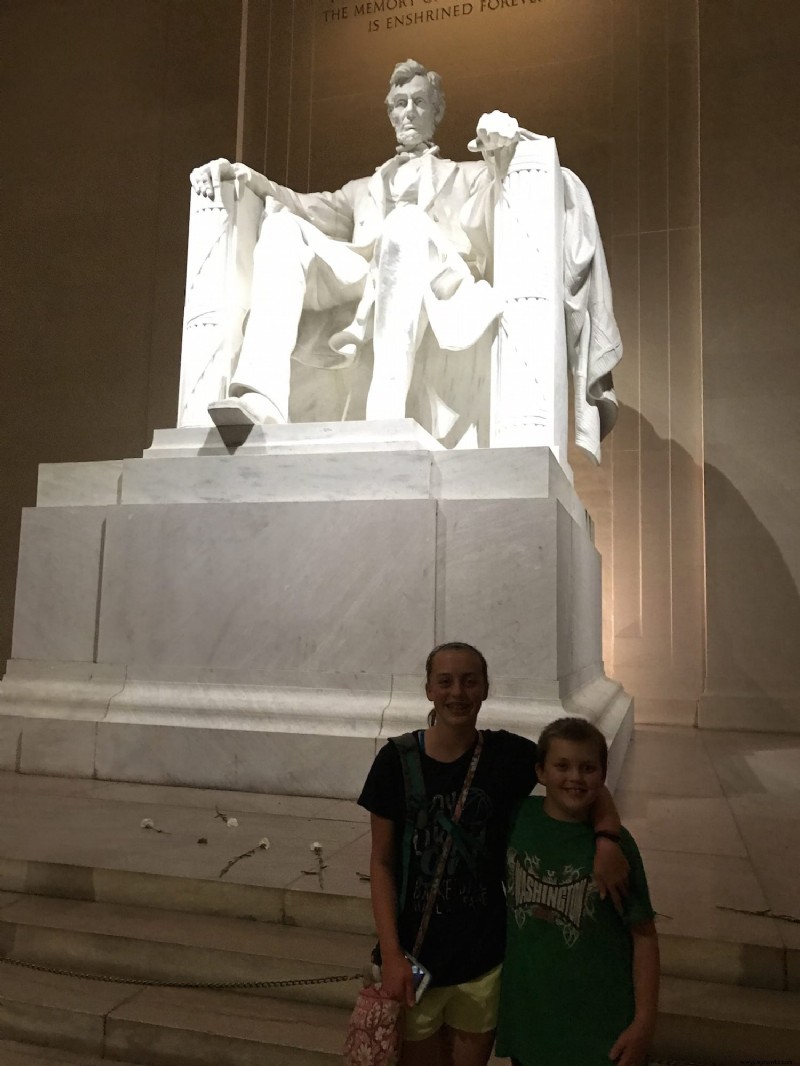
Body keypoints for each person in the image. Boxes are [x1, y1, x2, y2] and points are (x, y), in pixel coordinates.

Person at [190, 60, 518, 429]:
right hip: (368, 273)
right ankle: (261, 398)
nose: (408, 111)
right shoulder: (360, 190)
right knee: (282, 227)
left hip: (432, 275)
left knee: (404, 223)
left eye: (419, 102)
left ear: (436, 111)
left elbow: (500, 205)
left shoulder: (468, 175)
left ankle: (385, 412)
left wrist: (503, 150)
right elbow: (303, 204)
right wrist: (244, 176)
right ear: (390, 113)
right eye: (399, 103)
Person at [357, 642, 630, 1066]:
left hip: (483, 957)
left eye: (470, 681)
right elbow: (382, 862)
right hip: (415, 957)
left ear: (485, 688)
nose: (458, 693)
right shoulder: (395, 762)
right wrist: (391, 954)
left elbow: (583, 781)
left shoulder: (508, 756)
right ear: (429, 689)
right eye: (445, 682)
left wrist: (608, 840)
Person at [496, 717, 660, 1066]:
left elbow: (643, 934)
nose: (575, 777)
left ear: (603, 776)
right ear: (540, 772)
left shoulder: (618, 850)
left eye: (588, 768)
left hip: (599, 1033)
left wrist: (644, 1022)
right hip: (532, 1026)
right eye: (562, 766)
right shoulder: (516, 819)